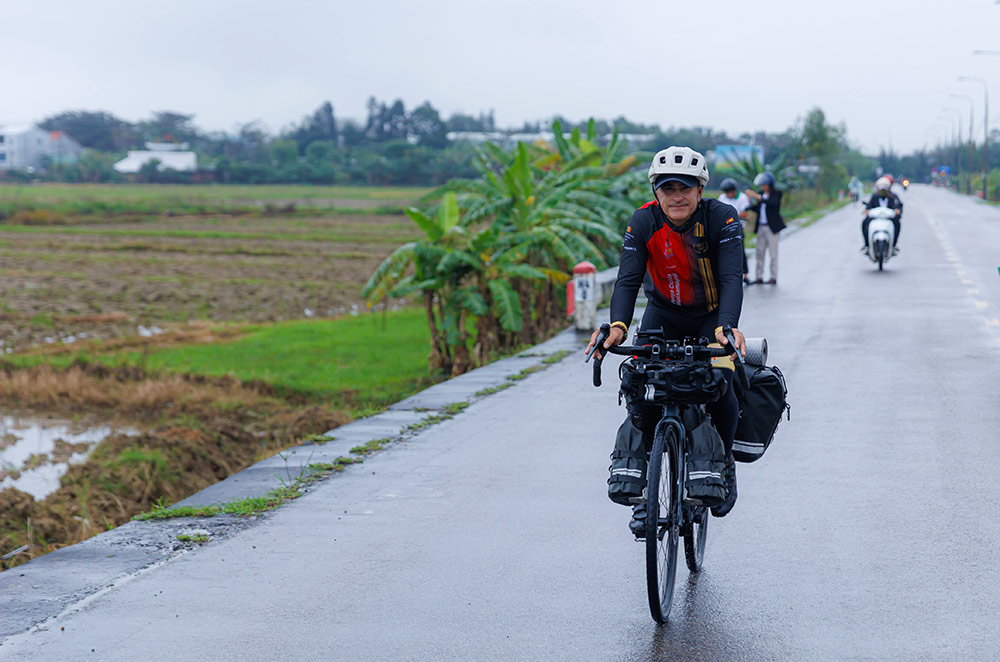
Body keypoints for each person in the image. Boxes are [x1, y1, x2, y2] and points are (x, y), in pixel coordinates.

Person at [585, 146, 747, 533]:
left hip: (711, 316)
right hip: (663, 315)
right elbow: (627, 280)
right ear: (656, 191)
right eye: (668, 187)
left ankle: (722, 462)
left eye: (686, 187)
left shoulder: (721, 218)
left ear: (700, 189)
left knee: (720, 380)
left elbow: (730, 279)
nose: (677, 195)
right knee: (643, 386)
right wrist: (619, 326)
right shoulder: (643, 222)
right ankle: (643, 496)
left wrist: (727, 325)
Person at [744, 172, 785, 285]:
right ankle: (759, 276)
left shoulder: (776, 194)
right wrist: (749, 203)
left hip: (772, 228)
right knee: (759, 252)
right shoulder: (761, 194)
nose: (762, 187)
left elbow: (772, 203)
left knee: (773, 253)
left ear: (770, 184)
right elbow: (757, 207)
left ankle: (773, 276)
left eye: (764, 185)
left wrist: (757, 196)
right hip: (761, 227)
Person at [718, 177, 752, 285]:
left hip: (737, 227)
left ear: (734, 191)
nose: (728, 195)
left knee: (740, 251)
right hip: (723, 227)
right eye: (726, 193)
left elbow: (745, 213)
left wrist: (730, 216)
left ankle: (745, 275)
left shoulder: (742, 198)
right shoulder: (722, 197)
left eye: (730, 192)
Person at [861, 176, 903, 254]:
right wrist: (866, 210)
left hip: (888, 219)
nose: (883, 190)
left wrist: (898, 211)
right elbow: (869, 206)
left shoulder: (893, 197)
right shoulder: (874, 196)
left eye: (885, 188)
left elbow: (898, 206)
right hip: (875, 219)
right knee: (865, 222)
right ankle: (867, 245)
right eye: (881, 188)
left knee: (897, 223)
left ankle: (893, 245)